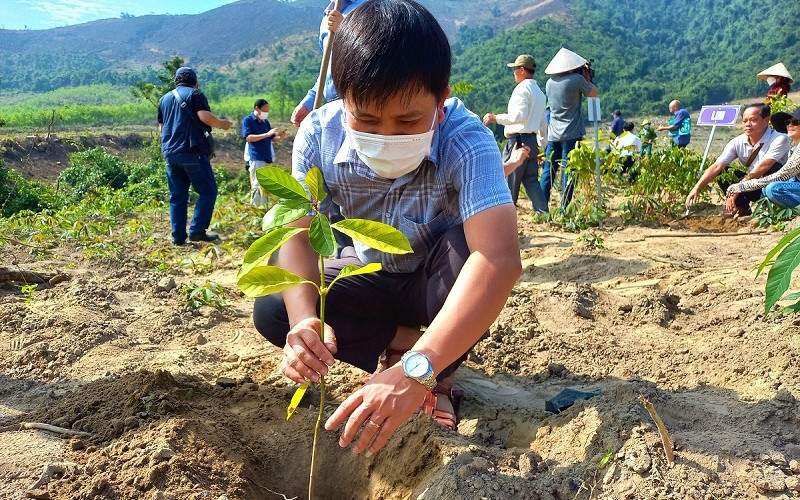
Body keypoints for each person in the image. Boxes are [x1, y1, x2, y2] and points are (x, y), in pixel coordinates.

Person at [252, 0, 521, 454]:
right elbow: (296, 233)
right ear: (343, 97)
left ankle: (435, 376)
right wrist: (305, 322)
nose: (388, 136)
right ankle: (415, 345)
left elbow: (498, 258)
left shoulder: (466, 138)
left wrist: (416, 373)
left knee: (466, 255)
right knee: (276, 309)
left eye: (409, 120)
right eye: (368, 119)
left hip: (435, 281)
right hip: (370, 271)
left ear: (440, 102)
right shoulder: (319, 133)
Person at [157, 67, 233, 245]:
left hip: (170, 153)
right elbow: (204, 116)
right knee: (208, 191)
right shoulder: (195, 94)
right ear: (195, 82)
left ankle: (178, 237)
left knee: (177, 195)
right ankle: (197, 230)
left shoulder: (164, 99)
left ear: (176, 81)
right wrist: (222, 124)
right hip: (191, 151)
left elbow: (162, 127)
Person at [686, 103, 790, 216]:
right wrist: (697, 187)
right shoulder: (738, 141)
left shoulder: (780, 139)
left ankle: (772, 208)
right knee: (723, 172)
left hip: (774, 186)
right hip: (751, 186)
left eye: (753, 120)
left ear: (766, 120)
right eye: (745, 121)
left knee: (773, 168)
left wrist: (738, 188)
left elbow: (764, 166)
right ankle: (742, 208)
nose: (748, 124)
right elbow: (717, 166)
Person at [483, 54, 548, 212]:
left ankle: (505, 212)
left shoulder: (521, 90)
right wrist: (543, 144)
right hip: (531, 140)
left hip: (518, 140)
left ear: (521, 70)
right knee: (531, 180)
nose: (514, 73)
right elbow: (542, 123)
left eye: (515, 69)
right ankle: (543, 211)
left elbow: (519, 116)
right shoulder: (540, 94)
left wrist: (495, 118)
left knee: (509, 177)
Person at [290, 0, 369, 127]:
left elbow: (381, 55)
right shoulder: (327, 16)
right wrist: (309, 101)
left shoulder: (374, 6)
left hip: (362, 107)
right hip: (332, 107)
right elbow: (328, 68)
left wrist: (346, 30)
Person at [543, 47, 599, 209]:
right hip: (571, 133)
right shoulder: (576, 80)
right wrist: (587, 77)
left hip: (553, 134)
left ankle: (541, 207)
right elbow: (593, 93)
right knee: (568, 170)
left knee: (548, 171)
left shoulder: (549, 82)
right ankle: (564, 207)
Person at [726, 107, 800, 210]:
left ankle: (795, 211)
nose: (790, 125)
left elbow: (782, 175)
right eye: (788, 122)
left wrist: (741, 186)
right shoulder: (794, 148)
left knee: (774, 188)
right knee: (766, 189)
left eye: (795, 122)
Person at [242, 98, 286, 204]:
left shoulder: (265, 122)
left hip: (267, 157)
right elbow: (249, 137)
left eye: (267, 111)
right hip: (256, 156)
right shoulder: (248, 120)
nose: (266, 113)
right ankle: (256, 206)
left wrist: (280, 137)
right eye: (265, 111)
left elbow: (272, 139)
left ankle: (264, 206)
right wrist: (266, 134)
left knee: (266, 184)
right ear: (257, 108)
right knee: (257, 184)